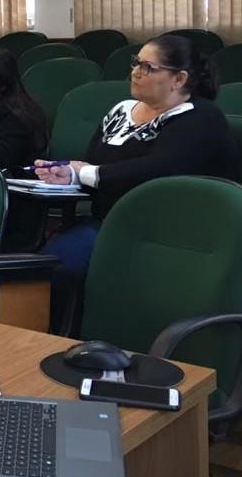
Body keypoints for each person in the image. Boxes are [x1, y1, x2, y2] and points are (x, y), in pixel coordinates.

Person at [36, 34, 241, 325]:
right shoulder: (121, 111)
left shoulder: (201, 117)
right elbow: (93, 164)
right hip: (110, 220)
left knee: (73, 268)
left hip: (173, 232)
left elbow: (157, 171)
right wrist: (69, 174)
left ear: (179, 79)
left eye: (147, 67)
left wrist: (87, 173)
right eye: (136, 63)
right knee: (51, 265)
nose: (135, 72)